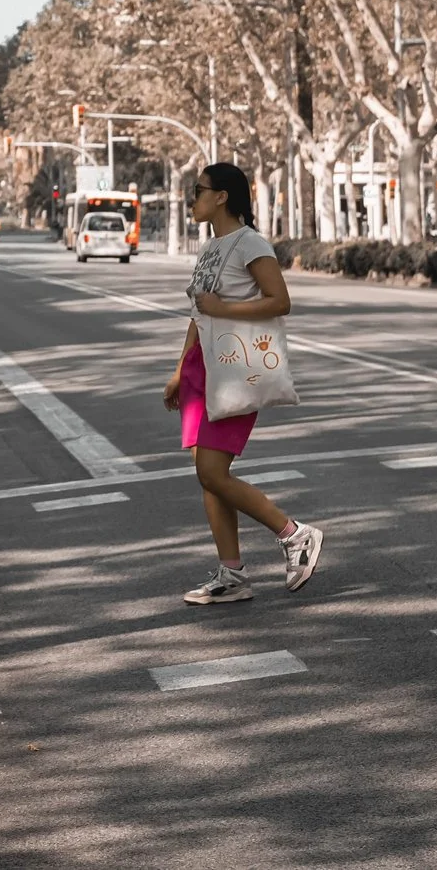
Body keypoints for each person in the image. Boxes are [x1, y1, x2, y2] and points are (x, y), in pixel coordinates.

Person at [163, 162, 323, 604]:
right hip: (202, 367)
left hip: (235, 367)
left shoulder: (250, 242)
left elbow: (280, 301)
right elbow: (198, 313)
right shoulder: (212, 247)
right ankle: (231, 576)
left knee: (211, 471)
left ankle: (294, 534)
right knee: (210, 478)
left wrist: (222, 310)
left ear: (222, 197)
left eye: (198, 191)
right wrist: (180, 370)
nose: (191, 199)